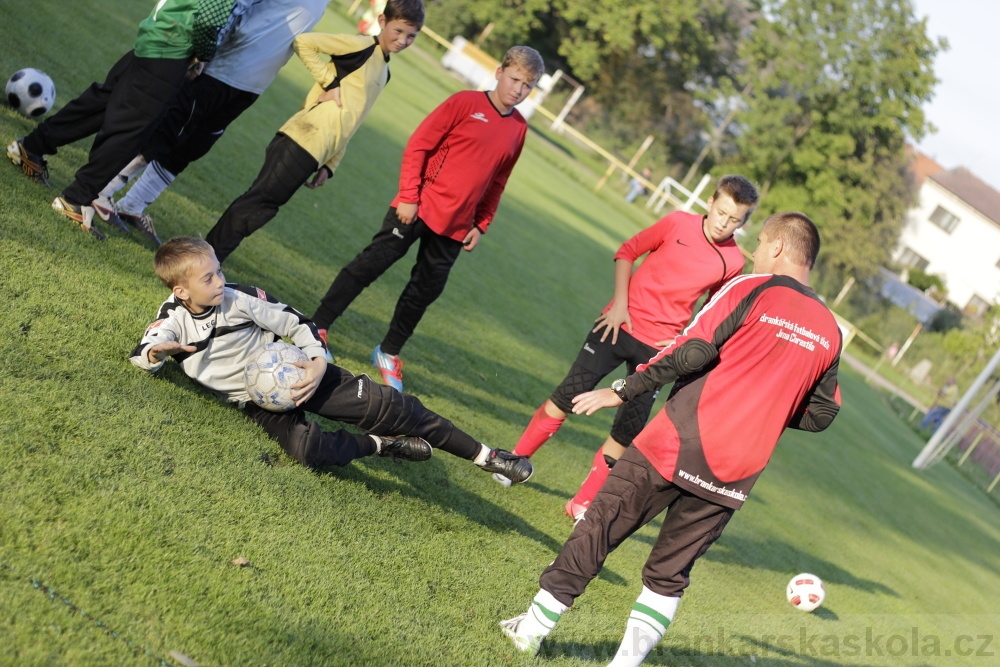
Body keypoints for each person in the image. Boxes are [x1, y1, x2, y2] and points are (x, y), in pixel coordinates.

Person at [500, 212, 842, 665]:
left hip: (676, 442)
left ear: (779, 247)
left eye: (760, 243)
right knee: (669, 574)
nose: (754, 252)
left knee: (599, 524)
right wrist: (769, 404)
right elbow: (822, 414)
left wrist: (622, 389)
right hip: (737, 472)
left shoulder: (751, 287)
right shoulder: (830, 330)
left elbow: (693, 349)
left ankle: (532, 630)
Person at [130, 236, 534, 482]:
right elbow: (144, 352)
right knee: (306, 452)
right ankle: (379, 446)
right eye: (208, 279)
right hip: (256, 401)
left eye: (219, 271)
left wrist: (318, 362)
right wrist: (156, 353)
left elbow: (296, 322)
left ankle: (488, 456)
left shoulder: (238, 297)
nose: (220, 281)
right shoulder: (173, 320)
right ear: (181, 291)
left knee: (393, 406)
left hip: (300, 372)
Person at [496, 176, 760, 522]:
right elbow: (627, 251)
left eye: (734, 220)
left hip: (658, 352)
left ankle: (582, 503)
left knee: (626, 430)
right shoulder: (677, 222)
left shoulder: (734, 263)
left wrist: (681, 339)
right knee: (567, 396)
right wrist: (620, 305)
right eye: (721, 212)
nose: (724, 224)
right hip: (616, 326)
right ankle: (512, 462)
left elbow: (713, 312)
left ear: (744, 223)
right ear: (710, 202)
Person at [310, 45, 545, 392]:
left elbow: (498, 181)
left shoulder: (519, 129)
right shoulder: (465, 103)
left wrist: (481, 224)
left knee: (424, 292)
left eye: (528, 85)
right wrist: (408, 196)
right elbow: (419, 145)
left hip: (457, 225)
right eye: (515, 79)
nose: (519, 90)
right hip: (417, 206)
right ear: (499, 72)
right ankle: (318, 326)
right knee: (371, 264)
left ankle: (388, 353)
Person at [93, 0, 333, 246]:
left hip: (253, 83)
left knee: (195, 145)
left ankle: (134, 204)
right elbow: (236, 5)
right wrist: (205, 53)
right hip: (222, 67)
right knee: (166, 133)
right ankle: (102, 191)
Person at [203, 0, 425, 264]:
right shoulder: (361, 47)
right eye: (398, 31)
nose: (403, 40)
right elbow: (304, 42)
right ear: (382, 21)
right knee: (258, 203)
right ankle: (205, 259)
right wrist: (329, 82)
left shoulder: (384, 70)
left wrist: (330, 164)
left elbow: (353, 120)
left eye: (411, 36)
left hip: (317, 151)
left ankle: (210, 260)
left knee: (263, 208)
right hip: (301, 139)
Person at [6, 0, 245, 240]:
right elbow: (209, 16)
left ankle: (31, 147)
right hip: (173, 48)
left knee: (104, 103)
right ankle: (75, 199)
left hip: (158, 33)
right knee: (131, 129)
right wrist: (203, 54)